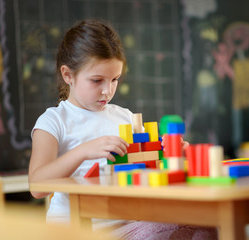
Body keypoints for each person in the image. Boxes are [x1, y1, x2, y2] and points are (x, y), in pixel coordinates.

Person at [28, 19, 216, 239]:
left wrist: (170, 156)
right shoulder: (53, 121)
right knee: (158, 232)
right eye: (97, 80)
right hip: (75, 230)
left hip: (128, 223)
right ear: (68, 75)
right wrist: (83, 151)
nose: (107, 90)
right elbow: (37, 186)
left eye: (114, 79)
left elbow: (146, 171)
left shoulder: (124, 117)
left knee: (206, 226)